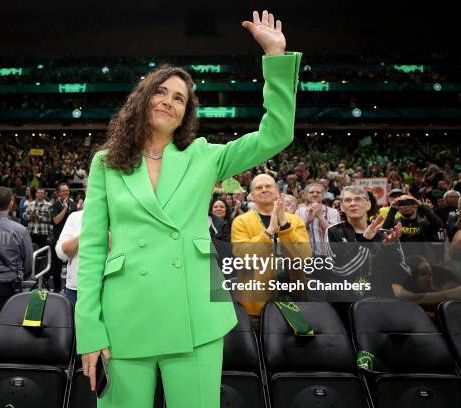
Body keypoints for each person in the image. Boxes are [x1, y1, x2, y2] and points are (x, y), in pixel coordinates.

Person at [76, 9, 301, 407]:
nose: (168, 101)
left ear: (186, 113)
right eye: (160, 92)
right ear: (143, 99)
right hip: (124, 317)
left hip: (195, 314)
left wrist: (275, 57)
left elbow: (277, 133)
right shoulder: (106, 162)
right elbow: (92, 251)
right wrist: (89, 330)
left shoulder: (205, 156)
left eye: (179, 98)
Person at [231, 174, 311, 321]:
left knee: (297, 343)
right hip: (255, 305)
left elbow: (304, 257)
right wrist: (269, 231)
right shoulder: (240, 221)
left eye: (268, 186)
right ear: (251, 195)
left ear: (277, 192)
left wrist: (285, 226)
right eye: (258, 188)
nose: (264, 190)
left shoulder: (295, 220)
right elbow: (244, 259)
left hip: (294, 299)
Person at [296, 182, 341, 256]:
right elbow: (297, 233)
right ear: (306, 195)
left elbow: (334, 234)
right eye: (311, 192)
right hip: (306, 256)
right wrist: (308, 221)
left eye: (318, 192)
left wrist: (319, 216)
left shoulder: (333, 212)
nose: (315, 194)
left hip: (328, 255)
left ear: (323, 195)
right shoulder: (299, 211)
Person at [55, 209, 84, 305]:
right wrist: (86, 234)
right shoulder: (75, 217)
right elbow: (61, 252)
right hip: (75, 290)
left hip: (109, 289)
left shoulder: (120, 215)